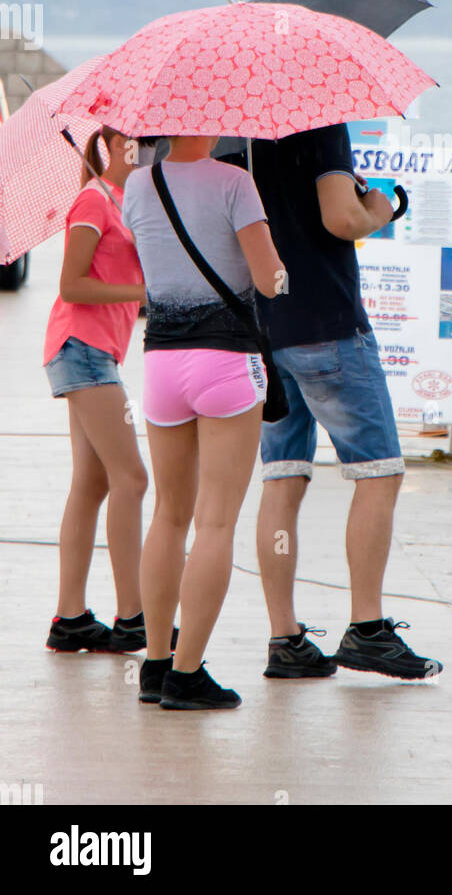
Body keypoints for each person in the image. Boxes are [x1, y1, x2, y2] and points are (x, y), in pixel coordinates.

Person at [224, 125, 443, 682]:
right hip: (326, 321)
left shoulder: (232, 128)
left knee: (283, 475)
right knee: (379, 472)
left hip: (262, 328)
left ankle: (285, 637)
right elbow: (339, 219)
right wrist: (379, 207)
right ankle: (367, 628)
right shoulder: (319, 121)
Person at [121, 135, 283, 710]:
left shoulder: (138, 185)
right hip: (225, 364)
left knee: (167, 515)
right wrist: (280, 264)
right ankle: (188, 675)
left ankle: (155, 665)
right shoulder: (236, 183)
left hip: (161, 363)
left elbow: (150, 272)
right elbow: (269, 282)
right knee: (215, 523)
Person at [44, 127, 150, 654]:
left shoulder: (130, 201)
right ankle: (133, 616)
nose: (148, 147)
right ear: (113, 142)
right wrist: (142, 290)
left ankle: (71, 619)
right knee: (131, 478)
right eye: (138, 139)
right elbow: (71, 284)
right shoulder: (93, 199)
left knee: (92, 485)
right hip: (80, 349)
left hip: (99, 351)